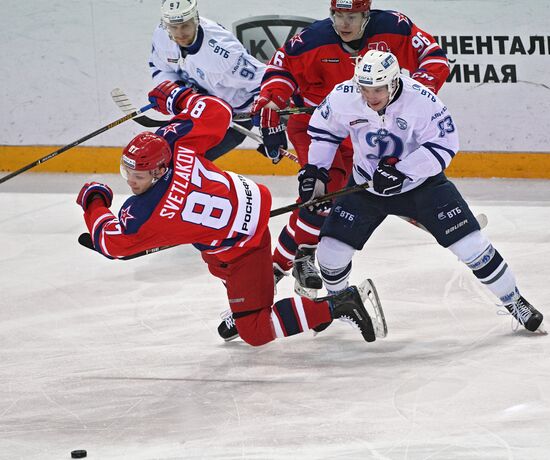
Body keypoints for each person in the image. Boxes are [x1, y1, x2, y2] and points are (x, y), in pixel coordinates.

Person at [75, 81, 387, 345]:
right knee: (222, 270)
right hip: (248, 206)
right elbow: (218, 112)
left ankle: (338, 305)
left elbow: (111, 242)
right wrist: (175, 96)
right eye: (127, 171)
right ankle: (268, 303)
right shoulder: (174, 143)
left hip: (239, 247)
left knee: (255, 329)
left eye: (139, 176)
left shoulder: (148, 212)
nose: (130, 181)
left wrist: (94, 200)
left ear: (158, 170)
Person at [298, 49, 545, 333]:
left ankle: (514, 300)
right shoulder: (345, 96)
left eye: (378, 88)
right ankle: (340, 303)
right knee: (330, 254)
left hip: (421, 186)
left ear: (393, 82)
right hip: (366, 186)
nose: (371, 96)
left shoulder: (422, 101)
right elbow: (323, 132)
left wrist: (404, 170)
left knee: (472, 246)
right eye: (365, 89)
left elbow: (445, 145)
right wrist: (315, 173)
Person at [252, 0, 450, 296]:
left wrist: (417, 92)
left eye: (351, 16)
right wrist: (272, 101)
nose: (343, 23)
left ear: (366, 16)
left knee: (400, 166)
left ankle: (411, 204)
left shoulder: (394, 27)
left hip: (365, 125)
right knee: (321, 194)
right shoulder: (310, 41)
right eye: (337, 15)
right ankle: (300, 258)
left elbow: (434, 57)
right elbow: (280, 72)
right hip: (317, 126)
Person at [148, 0, 265, 161]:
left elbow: (265, 82)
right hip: (196, 108)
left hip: (234, 117)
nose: (180, 33)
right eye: (174, 27)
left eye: (185, 26)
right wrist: (176, 91)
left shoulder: (224, 53)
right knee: (166, 154)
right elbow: (160, 67)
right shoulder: (162, 35)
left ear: (196, 19)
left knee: (188, 162)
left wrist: (269, 126)